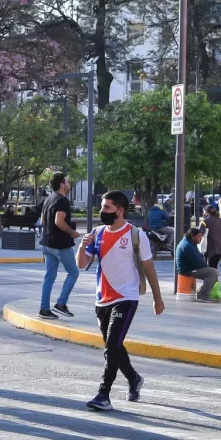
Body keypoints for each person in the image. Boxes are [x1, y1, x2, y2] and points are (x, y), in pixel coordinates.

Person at [78, 191, 165, 411]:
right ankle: (134, 378)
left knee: (113, 344)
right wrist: (81, 245)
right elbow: (81, 264)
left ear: (120, 210)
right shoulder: (97, 233)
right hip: (102, 299)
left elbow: (149, 268)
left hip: (126, 297)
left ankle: (103, 394)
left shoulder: (136, 235)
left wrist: (157, 298)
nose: (102, 211)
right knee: (113, 346)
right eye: (102, 206)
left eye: (107, 207)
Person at [39, 172, 81, 319]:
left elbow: (43, 222)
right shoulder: (62, 201)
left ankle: (44, 309)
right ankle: (61, 303)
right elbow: (59, 221)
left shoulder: (48, 200)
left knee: (49, 277)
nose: (69, 184)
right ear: (62, 184)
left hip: (46, 243)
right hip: (60, 244)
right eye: (68, 182)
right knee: (73, 272)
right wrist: (72, 232)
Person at [175, 227, 218, 301]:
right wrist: (206, 267)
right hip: (187, 270)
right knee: (213, 273)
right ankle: (203, 295)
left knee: (211, 271)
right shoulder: (187, 246)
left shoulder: (189, 242)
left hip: (190, 268)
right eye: (199, 236)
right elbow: (199, 262)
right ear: (192, 236)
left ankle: (205, 292)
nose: (201, 238)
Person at [204, 205, 221, 270]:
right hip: (219, 248)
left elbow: (200, 233)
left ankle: (214, 280)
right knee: (215, 266)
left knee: (212, 268)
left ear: (207, 212)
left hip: (211, 249)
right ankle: (215, 280)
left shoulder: (205, 221)